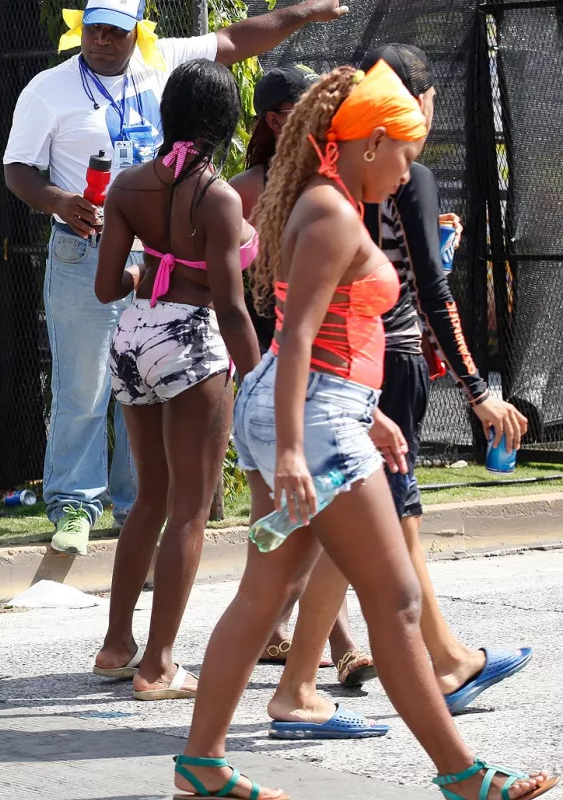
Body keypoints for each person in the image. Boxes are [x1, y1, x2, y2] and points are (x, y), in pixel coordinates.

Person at [175, 62, 558, 800]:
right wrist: (295, 447)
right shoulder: (333, 214)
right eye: (408, 153)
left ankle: (202, 766)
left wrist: (369, 413)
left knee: (264, 595)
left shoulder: (329, 203)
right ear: (373, 141)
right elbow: (296, 337)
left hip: (324, 411)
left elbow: (318, 339)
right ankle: (463, 776)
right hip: (311, 421)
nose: (411, 170)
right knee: (398, 601)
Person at [259, 43, 535, 739]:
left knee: (368, 540)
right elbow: (424, 295)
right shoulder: (369, 186)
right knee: (373, 553)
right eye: (406, 147)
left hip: (363, 384)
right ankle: (423, 680)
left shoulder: (338, 185)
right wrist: (476, 390)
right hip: (373, 374)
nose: (409, 165)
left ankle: (422, 667)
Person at [3, 0, 347, 556]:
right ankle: (74, 504)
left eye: (116, 30)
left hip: (163, 257)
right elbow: (17, 169)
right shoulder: (48, 88)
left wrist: (301, 14)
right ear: (80, 28)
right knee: (83, 384)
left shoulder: (160, 58)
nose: (103, 40)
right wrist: (57, 200)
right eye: (93, 29)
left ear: (135, 30)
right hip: (86, 246)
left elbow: (236, 42)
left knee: (147, 382)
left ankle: (135, 504)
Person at [90, 60, 261, 700]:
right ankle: (159, 664)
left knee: (149, 501)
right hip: (190, 341)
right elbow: (232, 306)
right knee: (191, 507)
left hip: (134, 336)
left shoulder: (129, 187)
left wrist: (151, 276)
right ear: (226, 123)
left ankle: (116, 646)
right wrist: (261, 378)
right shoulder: (216, 196)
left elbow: (108, 285)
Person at [231, 64, 380, 693]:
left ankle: (288, 657)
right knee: (313, 533)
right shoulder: (262, 190)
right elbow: (231, 284)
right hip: (286, 372)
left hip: (293, 376)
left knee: (284, 537)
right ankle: (329, 657)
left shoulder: (326, 188)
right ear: (275, 118)